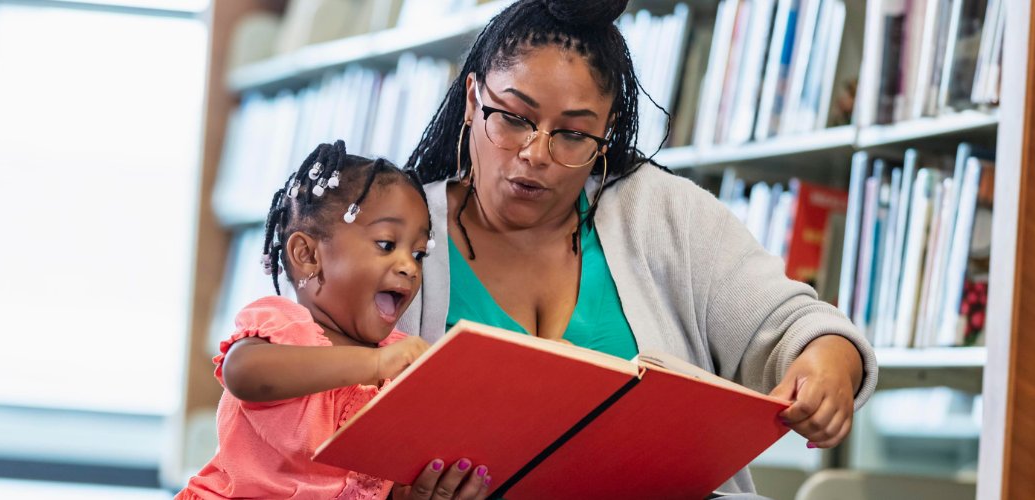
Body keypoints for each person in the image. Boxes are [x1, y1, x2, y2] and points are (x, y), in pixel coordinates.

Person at [394, 0, 880, 496]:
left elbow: (798, 325)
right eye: (514, 118)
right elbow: (324, 433)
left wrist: (827, 364)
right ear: (474, 101)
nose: (536, 154)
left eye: (572, 134)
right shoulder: (390, 229)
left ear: (605, 137)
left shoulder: (660, 211)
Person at [179, 141, 491, 500]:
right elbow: (243, 373)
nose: (409, 266)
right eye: (387, 245)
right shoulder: (283, 326)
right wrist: (372, 362)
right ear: (307, 255)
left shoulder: (398, 366)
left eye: (419, 253)